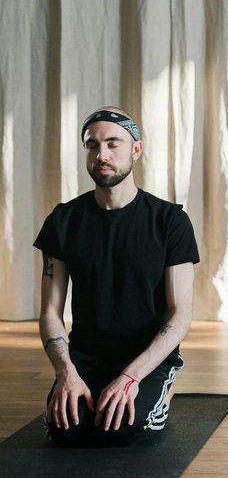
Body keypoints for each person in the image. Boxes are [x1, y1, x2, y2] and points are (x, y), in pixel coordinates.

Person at [34, 107, 200, 446]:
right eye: (93, 145)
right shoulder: (63, 221)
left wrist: (130, 377)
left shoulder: (170, 222)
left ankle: (163, 390)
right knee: (65, 432)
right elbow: (50, 312)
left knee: (121, 429)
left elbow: (180, 315)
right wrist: (66, 372)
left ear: (136, 150)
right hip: (86, 355)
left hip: (145, 357)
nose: (102, 154)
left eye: (113, 144)